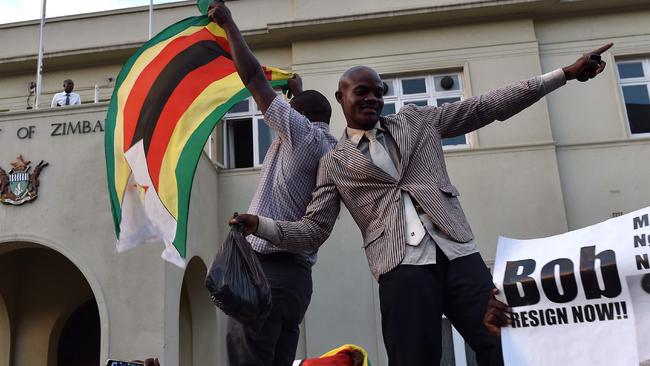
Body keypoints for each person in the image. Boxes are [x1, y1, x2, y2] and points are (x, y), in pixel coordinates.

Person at [231, 42, 613, 366]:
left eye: (378, 92)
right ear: (340, 98)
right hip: (400, 268)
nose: (372, 98)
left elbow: (485, 106)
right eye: (362, 91)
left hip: (459, 253)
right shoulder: (333, 161)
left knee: (505, 344)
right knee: (414, 357)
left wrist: (563, 74)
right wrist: (260, 225)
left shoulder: (417, 121)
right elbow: (314, 229)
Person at [208, 2, 338, 365]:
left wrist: (230, 24)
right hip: (296, 285)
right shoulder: (330, 146)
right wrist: (298, 94)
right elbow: (305, 115)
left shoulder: (301, 135)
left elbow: (252, 78)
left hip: (266, 273)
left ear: (295, 118)